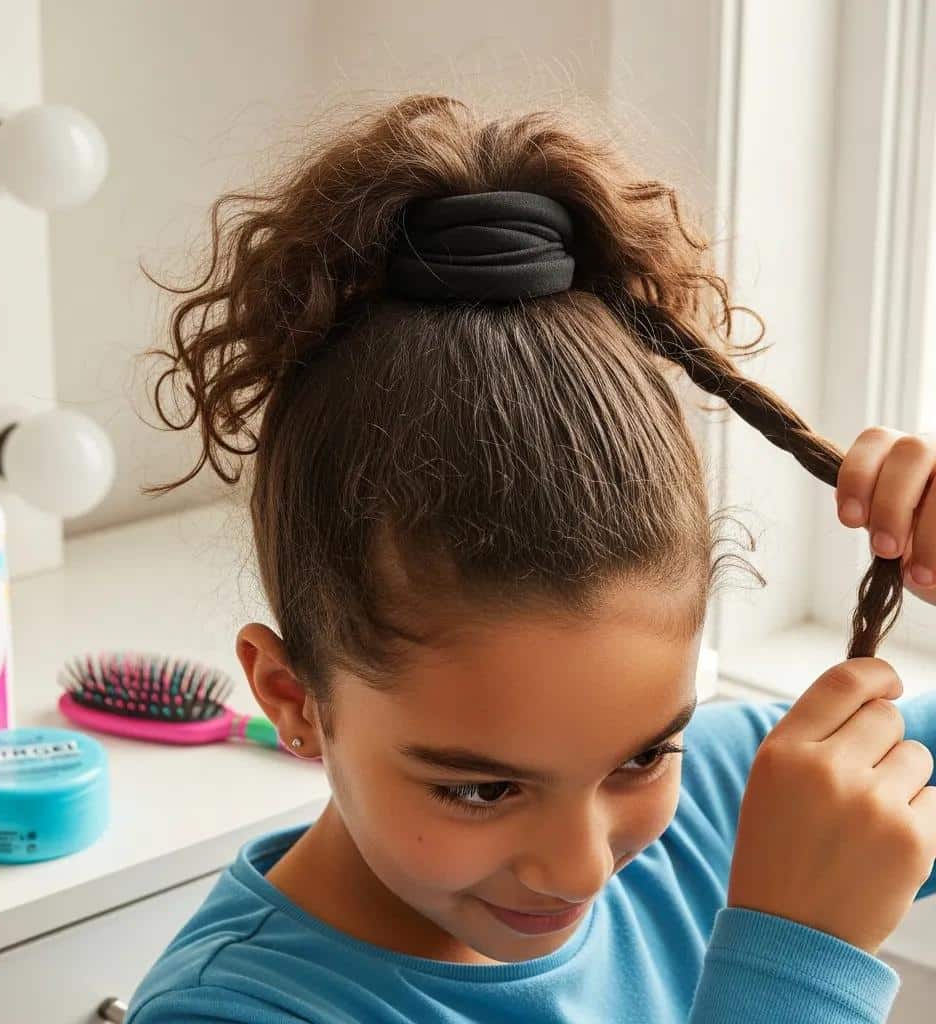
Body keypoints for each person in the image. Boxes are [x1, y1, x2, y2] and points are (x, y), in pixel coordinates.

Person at [124, 95, 936, 1022]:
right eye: (482, 787)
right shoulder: (233, 1014)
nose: (584, 867)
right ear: (291, 696)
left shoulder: (737, 804)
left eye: (643, 755)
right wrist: (797, 964)